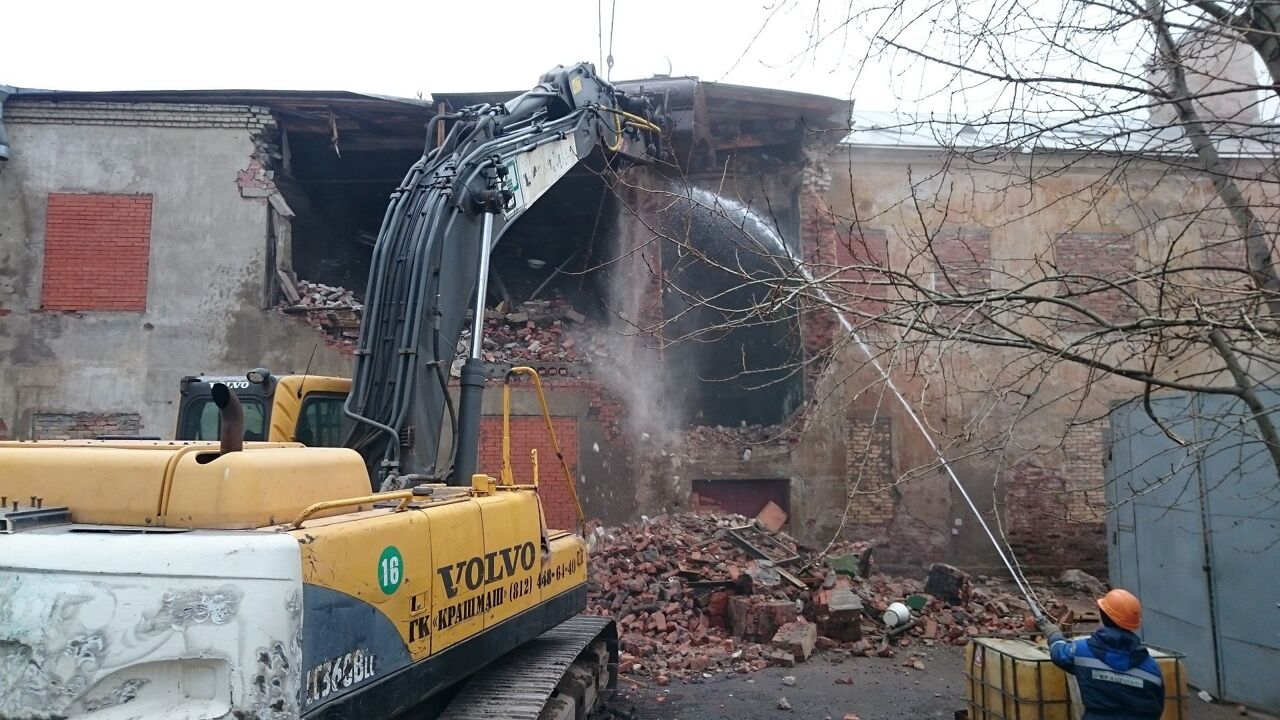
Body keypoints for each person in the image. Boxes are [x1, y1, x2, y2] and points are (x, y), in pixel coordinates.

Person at [1037, 588, 1165, 720]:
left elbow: (1059, 654)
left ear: (1102, 615)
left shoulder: (1082, 652)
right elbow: (1156, 708)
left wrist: (1054, 634)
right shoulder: (1151, 669)